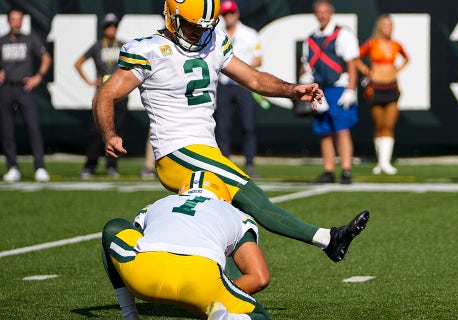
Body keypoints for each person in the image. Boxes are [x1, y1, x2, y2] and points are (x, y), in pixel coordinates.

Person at [93, 0, 369, 264]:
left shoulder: (213, 41)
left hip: (205, 149)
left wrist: (291, 90)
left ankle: (216, 289)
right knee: (254, 197)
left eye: (205, 26)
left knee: (229, 225)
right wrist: (109, 133)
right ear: (172, 18)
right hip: (177, 150)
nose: (199, 32)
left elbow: (254, 78)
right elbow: (104, 95)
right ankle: (328, 239)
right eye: (192, 25)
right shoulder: (150, 50)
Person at [102, 171, 271, 320]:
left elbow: (123, 235)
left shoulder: (157, 204)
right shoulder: (236, 214)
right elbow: (259, 277)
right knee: (258, 316)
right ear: (223, 197)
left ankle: (129, 315)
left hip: (144, 275)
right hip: (202, 279)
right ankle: (227, 318)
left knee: (114, 227)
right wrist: (217, 295)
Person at [301, 0, 360, 184]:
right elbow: (305, 64)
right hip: (319, 89)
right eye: (319, 11)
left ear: (331, 13)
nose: (322, 15)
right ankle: (328, 170)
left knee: (342, 130)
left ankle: (346, 170)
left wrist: (351, 89)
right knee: (324, 131)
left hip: (338, 87)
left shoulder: (342, 34)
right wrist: (304, 80)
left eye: (326, 11)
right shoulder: (310, 38)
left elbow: (351, 63)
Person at [0, 7, 51, 182]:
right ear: (8, 21)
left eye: (19, 19)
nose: (16, 22)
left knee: (33, 127)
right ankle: (13, 167)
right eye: (13, 19)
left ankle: (40, 167)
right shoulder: (2, 41)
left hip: (24, 88)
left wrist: (39, 76)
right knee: (7, 130)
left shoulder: (30, 39)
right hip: (6, 88)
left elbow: (46, 58)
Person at [74, 13, 128, 179]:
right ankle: (90, 166)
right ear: (103, 28)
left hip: (121, 95)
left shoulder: (124, 46)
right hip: (103, 95)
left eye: (114, 26)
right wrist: (90, 82)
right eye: (108, 26)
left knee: (117, 131)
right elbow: (78, 63)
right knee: (96, 131)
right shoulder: (98, 46)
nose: (111, 29)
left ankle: (112, 166)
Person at [356, 14, 409, 175]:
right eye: (385, 25)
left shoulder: (396, 45)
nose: (388, 28)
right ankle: (380, 161)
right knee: (379, 124)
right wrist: (367, 71)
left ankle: (386, 161)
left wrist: (395, 71)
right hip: (376, 86)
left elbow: (406, 58)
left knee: (389, 124)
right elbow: (356, 57)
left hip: (392, 86)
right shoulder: (372, 44)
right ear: (379, 27)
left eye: (390, 25)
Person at [214, 0, 262, 177]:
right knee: (222, 126)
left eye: (231, 13)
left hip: (243, 85)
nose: (229, 17)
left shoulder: (249, 34)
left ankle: (249, 162)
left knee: (248, 125)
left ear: (237, 13)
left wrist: (239, 70)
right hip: (224, 85)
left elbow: (258, 59)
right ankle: (225, 161)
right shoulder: (217, 34)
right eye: (225, 14)